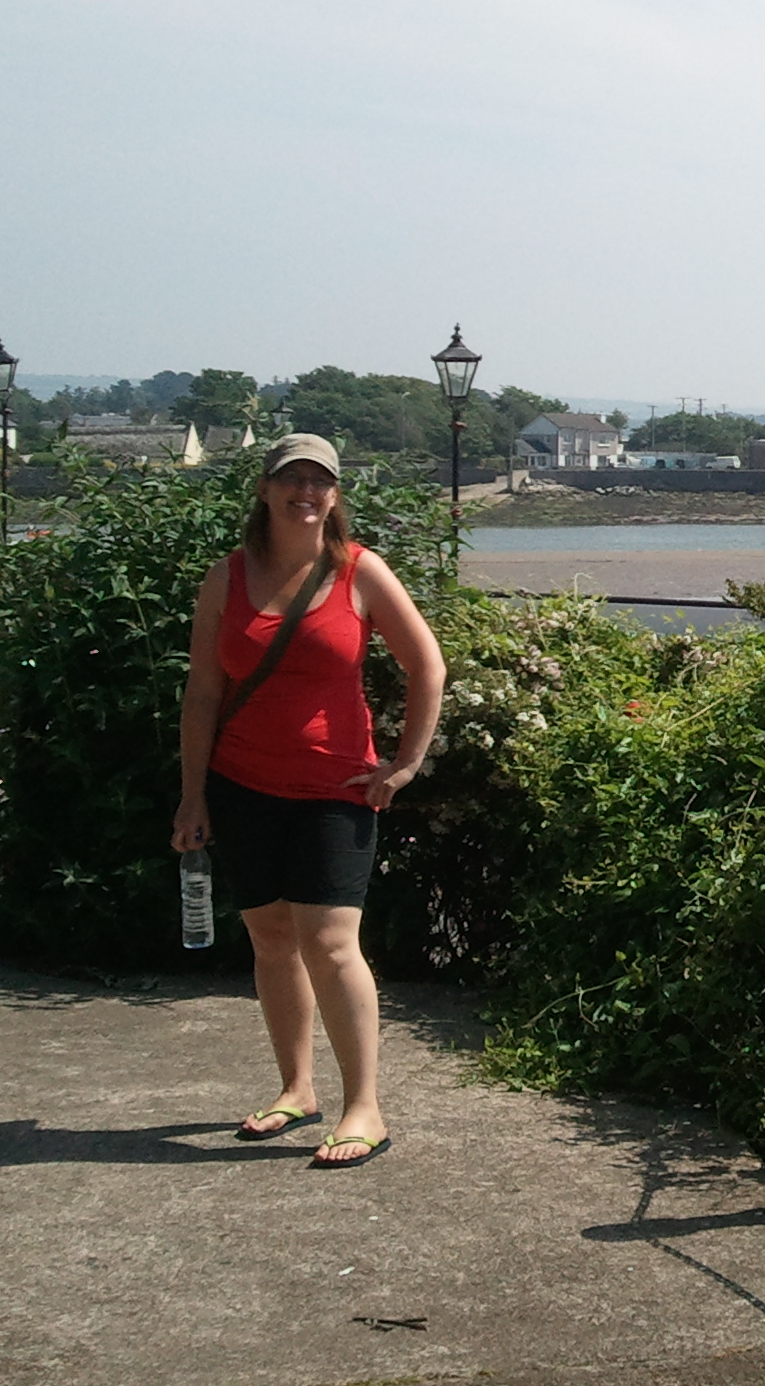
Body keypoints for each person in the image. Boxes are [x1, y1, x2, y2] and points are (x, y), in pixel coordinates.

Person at [170, 433, 446, 1168]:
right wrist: (192, 795)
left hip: (336, 787)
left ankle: (365, 1107)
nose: (307, 492)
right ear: (264, 490)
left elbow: (427, 665)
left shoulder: (359, 570)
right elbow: (203, 692)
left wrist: (405, 763)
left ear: (335, 495)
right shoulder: (226, 578)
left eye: (320, 481)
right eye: (292, 479)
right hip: (240, 784)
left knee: (329, 941)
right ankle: (297, 1089)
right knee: (270, 938)